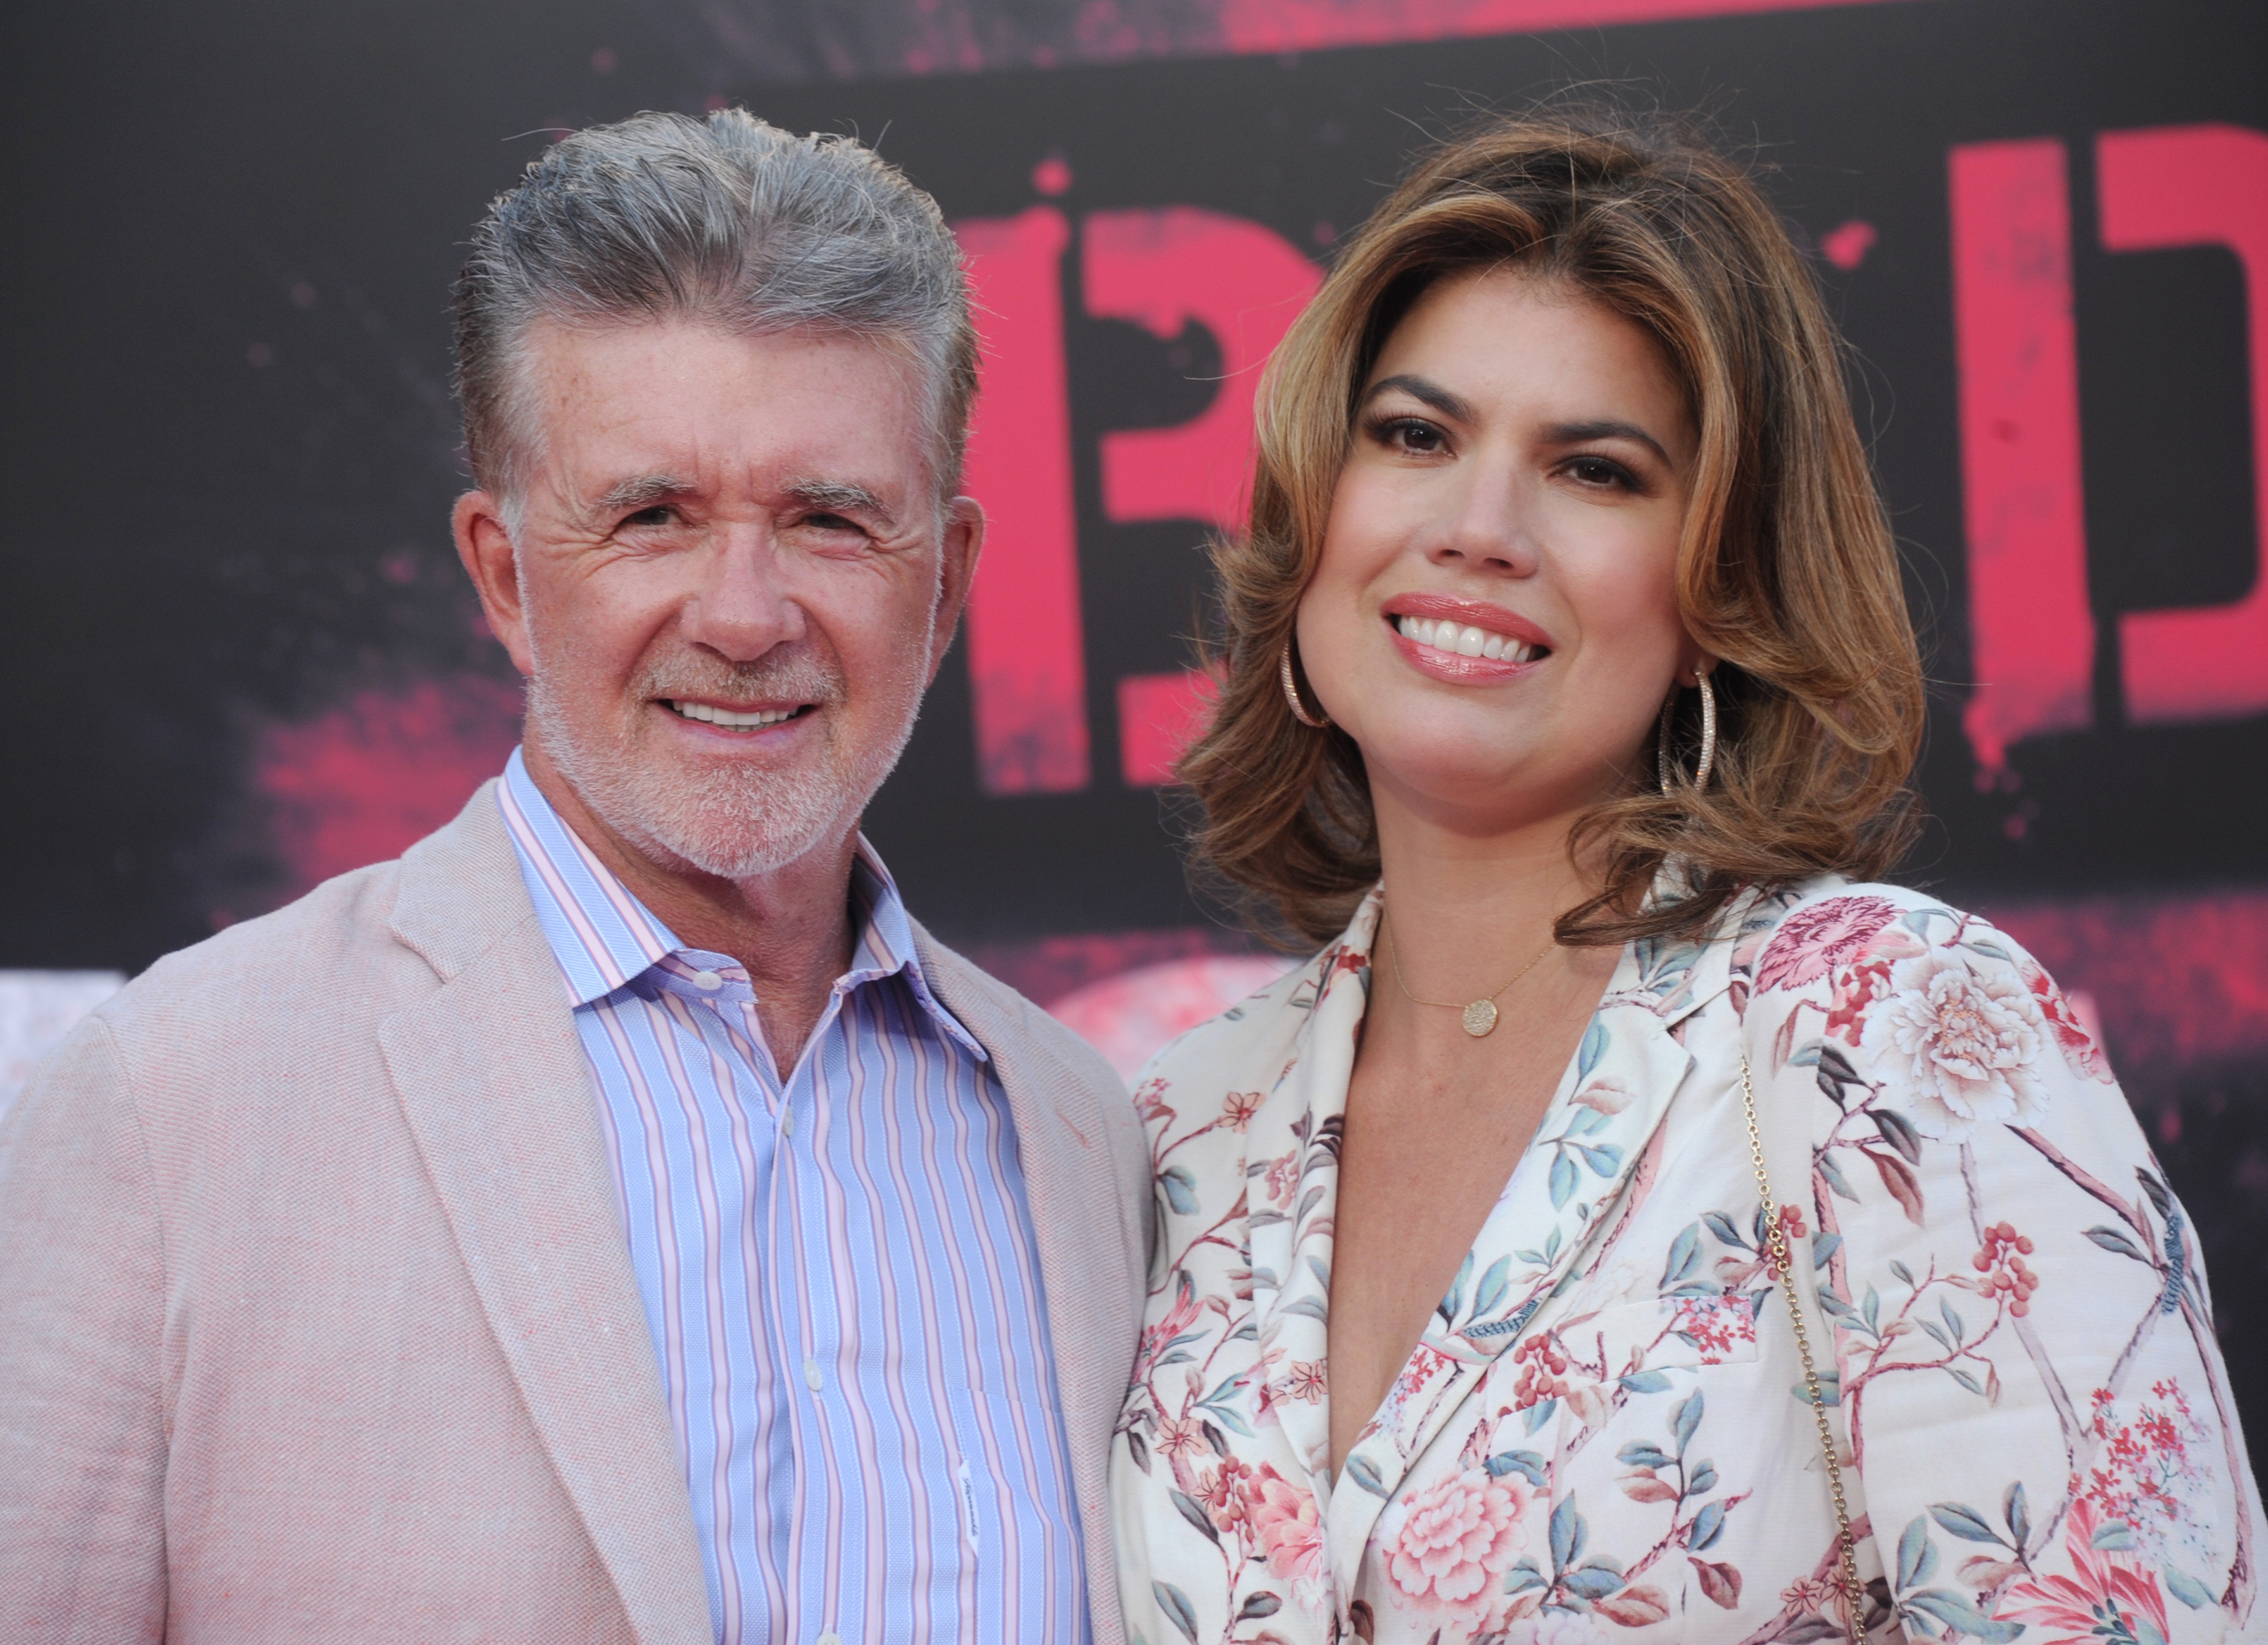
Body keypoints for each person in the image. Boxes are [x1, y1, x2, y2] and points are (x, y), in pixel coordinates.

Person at [1110, 109, 2267, 1645]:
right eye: (1413, 436)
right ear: (1311, 512)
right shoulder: (1185, 1128)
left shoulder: (1886, 1029)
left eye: (1594, 469)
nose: (1478, 528)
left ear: (1720, 586)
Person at [0, 110, 1149, 1644]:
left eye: (828, 518)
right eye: (651, 515)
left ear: (945, 582)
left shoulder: (1083, 1138)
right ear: (503, 573)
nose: (743, 616)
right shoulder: (172, 1100)